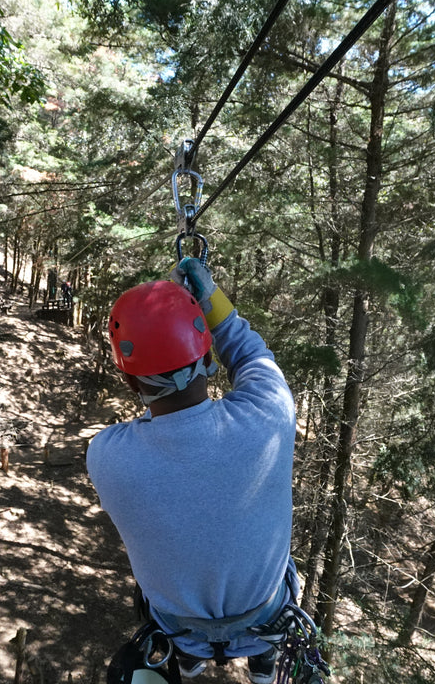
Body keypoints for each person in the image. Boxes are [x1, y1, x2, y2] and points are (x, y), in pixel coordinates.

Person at [87, 258, 298, 684]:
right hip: (266, 614)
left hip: (177, 625)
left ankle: (189, 659)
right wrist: (212, 301)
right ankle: (263, 659)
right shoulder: (270, 415)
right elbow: (252, 354)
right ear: (208, 359)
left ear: (131, 383)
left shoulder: (106, 455)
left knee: (167, 592)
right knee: (284, 572)